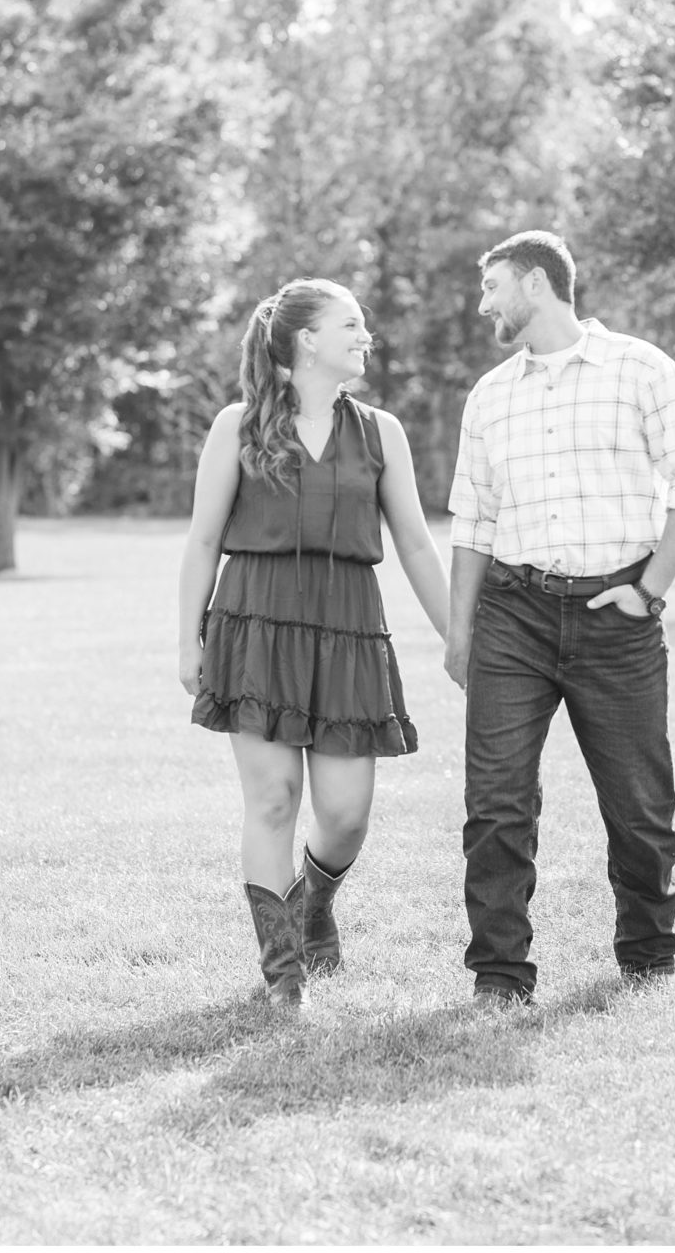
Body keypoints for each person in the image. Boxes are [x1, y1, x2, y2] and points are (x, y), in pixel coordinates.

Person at [445, 231, 675, 1008]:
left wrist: (650, 590)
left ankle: (648, 959)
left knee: (638, 804)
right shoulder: (490, 395)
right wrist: (461, 632)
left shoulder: (641, 369)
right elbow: (472, 520)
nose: (485, 302)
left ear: (536, 284)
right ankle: (499, 976)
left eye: (493, 285)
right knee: (496, 805)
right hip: (512, 616)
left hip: (616, 619)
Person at [179, 278, 448, 1010]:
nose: (367, 338)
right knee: (273, 799)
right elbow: (203, 540)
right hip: (255, 625)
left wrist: (460, 636)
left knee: (346, 813)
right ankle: (283, 974)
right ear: (306, 340)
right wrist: (186, 640)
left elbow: (419, 548)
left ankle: (315, 901)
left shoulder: (381, 431)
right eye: (352, 325)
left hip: (349, 632)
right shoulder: (237, 425)